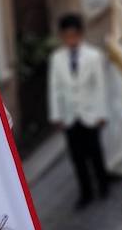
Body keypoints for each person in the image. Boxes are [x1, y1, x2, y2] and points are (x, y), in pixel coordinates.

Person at [46, 12, 111, 207]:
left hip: (90, 113)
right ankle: (85, 191)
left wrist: (102, 113)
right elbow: (54, 88)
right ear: (62, 37)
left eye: (74, 35)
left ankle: (103, 184)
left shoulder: (94, 56)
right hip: (69, 115)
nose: (71, 40)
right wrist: (56, 115)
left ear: (81, 34)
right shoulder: (57, 58)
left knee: (94, 151)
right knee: (76, 156)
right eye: (66, 36)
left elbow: (100, 86)